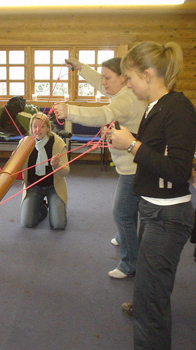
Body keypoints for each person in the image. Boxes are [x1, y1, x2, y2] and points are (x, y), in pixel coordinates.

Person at [108, 41, 196, 350]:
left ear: (147, 75)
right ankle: (145, 305)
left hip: (168, 216)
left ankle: (147, 315)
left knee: (151, 301)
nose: (128, 85)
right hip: (153, 209)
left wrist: (132, 145)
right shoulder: (154, 107)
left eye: (129, 78)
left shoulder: (178, 108)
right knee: (149, 286)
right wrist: (129, 142)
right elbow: (154, 153)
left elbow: (178, 170)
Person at [53, 57, 147, 279]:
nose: (103, 82)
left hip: (134, 168)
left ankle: (128, 264)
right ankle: (125, 237)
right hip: (132, 166)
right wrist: (81, 68)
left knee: (122, 212)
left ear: (123, 78)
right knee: (128, 209)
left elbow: (104, 114)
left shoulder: (126, 99)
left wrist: (70, 110)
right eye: (103, 76)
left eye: (108, 77)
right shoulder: (121, 91)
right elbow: (100, 82)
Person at [20, 112, 69, 230]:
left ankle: (57, 209)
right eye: (35, 126)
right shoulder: (24, 143)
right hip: (33, 187)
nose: (38, 129)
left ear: (47, 127)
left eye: (42, 126)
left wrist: (56, 165)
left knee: (58, 225)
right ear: (31, 128)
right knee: (27, 223)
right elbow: (14, 165)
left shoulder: (57, 143)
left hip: (53, 187)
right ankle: (42, 207)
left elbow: (66, 171)